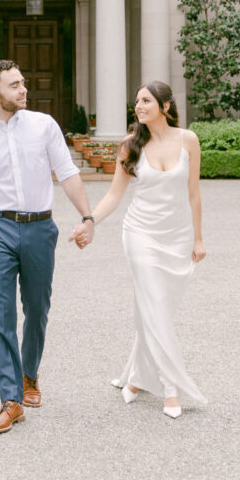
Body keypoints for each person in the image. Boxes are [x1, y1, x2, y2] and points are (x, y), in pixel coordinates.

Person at [0, 59, 95, 434]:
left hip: (39, 228)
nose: (23, 90)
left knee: (37, 308)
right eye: (14, 85)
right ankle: (11, 399)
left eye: (23, 82)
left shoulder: (43, 126)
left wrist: (88, 217)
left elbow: (67, 172)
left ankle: (29, 373)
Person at [70, 80, 207, 417]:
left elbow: (194, 193)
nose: (139, 106)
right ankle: (171, 388)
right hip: (140, 233)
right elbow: (115, 195)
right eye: (137, 102)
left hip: (176, 236)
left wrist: (199, 238)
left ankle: (135, 377)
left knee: (156, 308)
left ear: (166, 106)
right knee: (154, 306)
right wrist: (89, 221)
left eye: (146, 101)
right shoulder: (130, 145)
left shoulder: (188, 140)